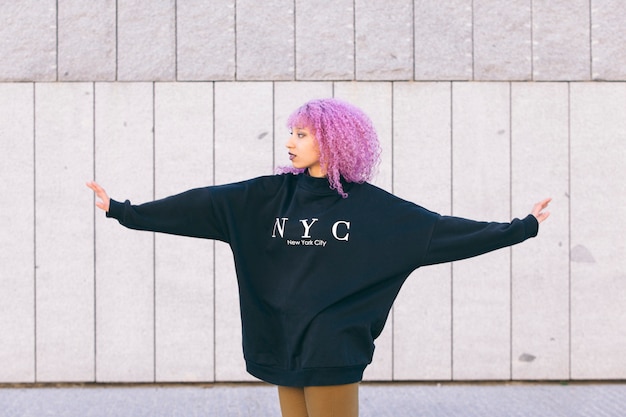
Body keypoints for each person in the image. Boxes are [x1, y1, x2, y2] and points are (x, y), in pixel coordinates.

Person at [87, 98, 551, 417]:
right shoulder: (267, 196)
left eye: (302, 133)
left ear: (331, 139)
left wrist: (520, 228)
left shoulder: (373, 208)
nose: (290, 141)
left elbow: (444, 233)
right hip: (281, 341)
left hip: (332, 347)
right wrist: (125, 212)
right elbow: (201, 205)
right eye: (291, 132)